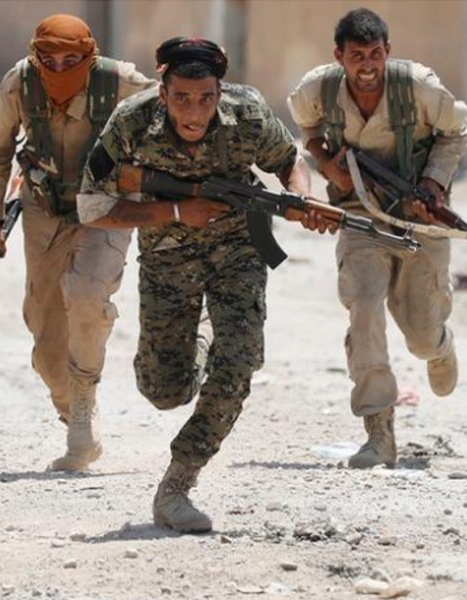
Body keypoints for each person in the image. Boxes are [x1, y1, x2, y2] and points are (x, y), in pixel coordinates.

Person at [76, 37, 313, 533]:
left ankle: (178, 484)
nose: (194, 110)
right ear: (162, 92)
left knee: (241, 359)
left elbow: (290, 160)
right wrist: (178, 211)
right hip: (167, 254)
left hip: (239, 250)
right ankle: (200, 340)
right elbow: (93, 207)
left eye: (205, 97)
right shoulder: (132, 120)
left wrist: (300, 197)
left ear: (219, 91)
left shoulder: (246, 113)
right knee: (163, 391)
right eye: (182, 97)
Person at [0, 15, 155, 470]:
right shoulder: (21, 83)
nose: (58, 68)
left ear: (89, 56)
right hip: (44, 211)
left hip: (106, 210)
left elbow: (176, 112)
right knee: (47, 342)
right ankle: (77, 414)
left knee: (89, 296)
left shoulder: (117, 81)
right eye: (48, 59)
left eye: (70, 60)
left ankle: (82, 417)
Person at [287, 8, 467, 469]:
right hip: (358, 216)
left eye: (375, 55)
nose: (366, 66)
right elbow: (306, 129)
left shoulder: (419, 87)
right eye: (356, 57)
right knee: (364, 307)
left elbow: (455, 132)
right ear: (339, 57)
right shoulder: (318, 90)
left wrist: (432, 186)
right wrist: (326, 163)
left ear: (388, 52)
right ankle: (378, 431)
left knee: (421, 336)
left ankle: (440, 347)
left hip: (416, 219)